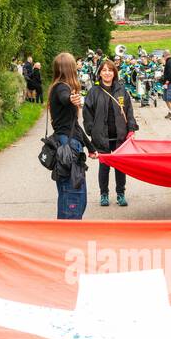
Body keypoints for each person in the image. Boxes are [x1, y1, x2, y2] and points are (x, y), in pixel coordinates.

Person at [84, 57, 136, 208]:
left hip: (120, 135)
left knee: (121, 167)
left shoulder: (122, 90)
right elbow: (87, 114)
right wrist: (91, 131)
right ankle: (104, 194)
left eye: (110, 70)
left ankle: (120, 194)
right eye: (104, 70)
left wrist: (131, 129)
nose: (107, 73)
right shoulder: (93, 91)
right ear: (99, 73)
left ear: (114, 73)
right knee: (104, 167)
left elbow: (129, 111)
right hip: (102, 136)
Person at [46, 52, 92, 219]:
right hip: (68, 148)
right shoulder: (61, 88)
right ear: (71, 68)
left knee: (74, 193)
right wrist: (72, 99)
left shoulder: (59, 86)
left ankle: (67, 232)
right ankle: (67, 234)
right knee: (72, 194)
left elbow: (74, 125)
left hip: (69, 143)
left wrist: (91, 148)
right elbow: (65, 97)